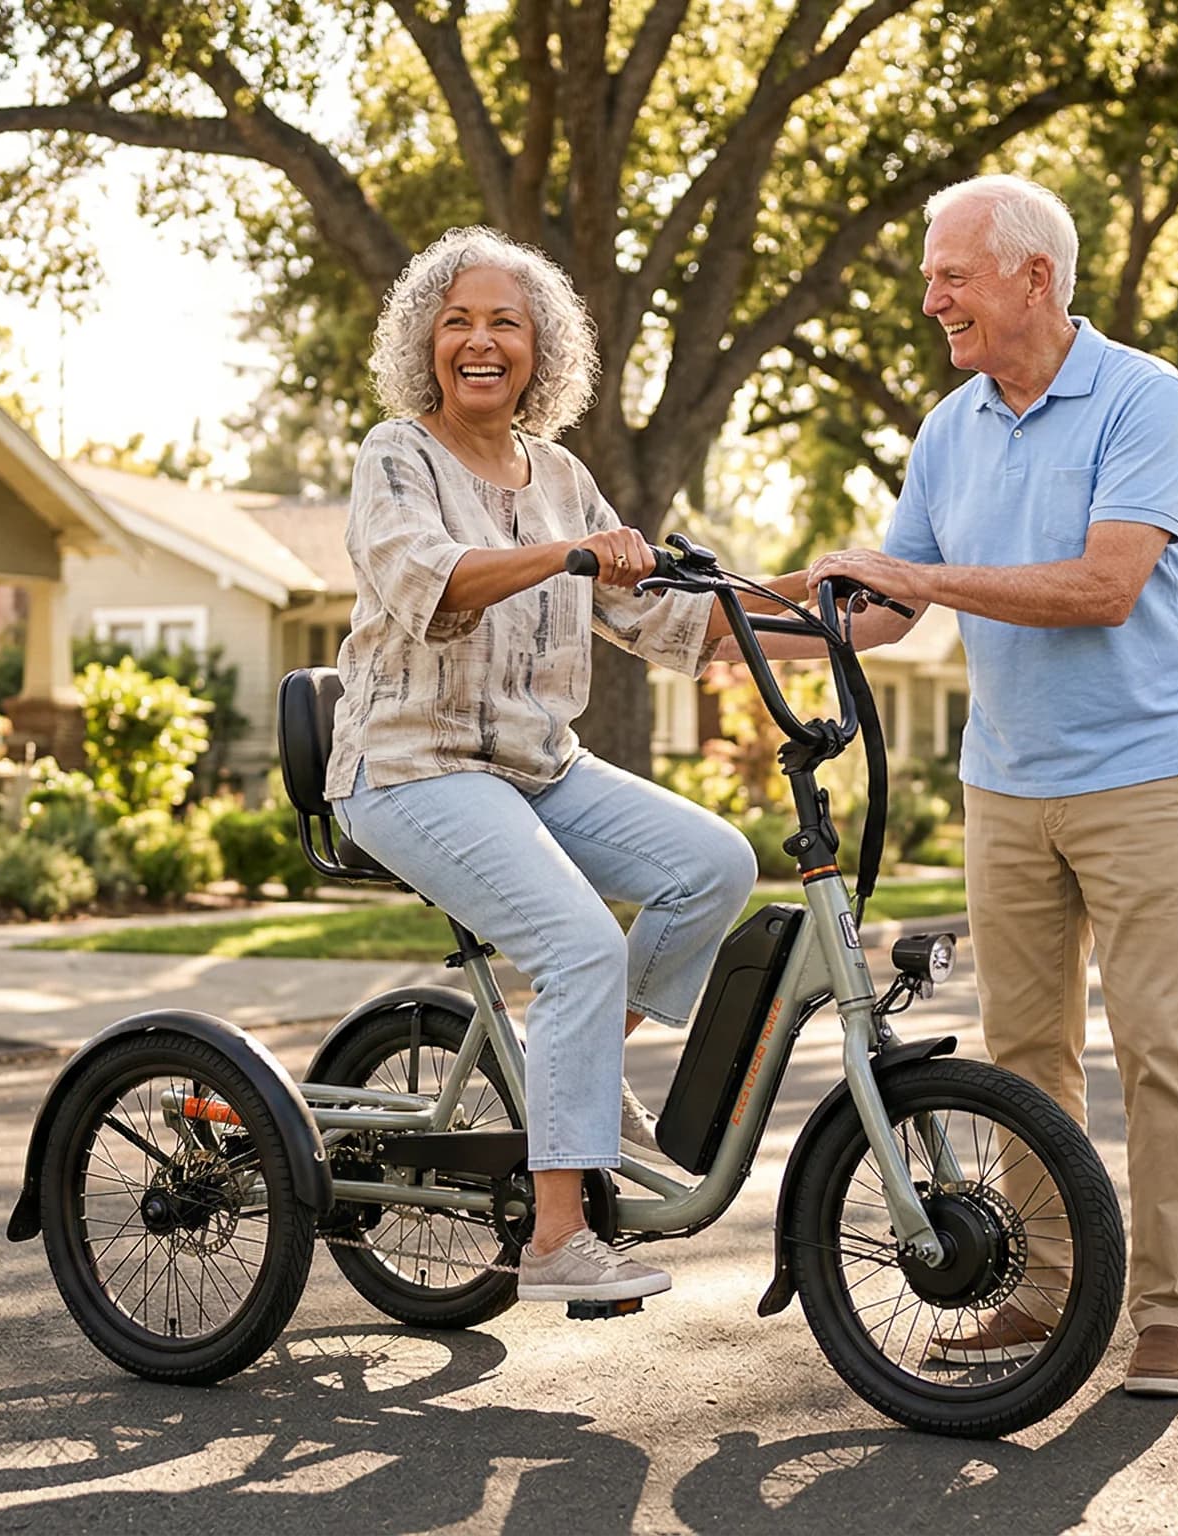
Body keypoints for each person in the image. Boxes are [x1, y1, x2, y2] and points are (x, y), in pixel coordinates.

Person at [809, 174, 1178, 1396]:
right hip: (1006, 784)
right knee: (1025, 1058)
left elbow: (1104, 586)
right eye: (932, 275)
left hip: (1146, 774)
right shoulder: (952, 426)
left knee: (1160, 1052)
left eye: (951, 274)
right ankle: (1046, 1293)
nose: (930, 296)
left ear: (1032, 278)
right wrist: (703, 618)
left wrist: (923, 583)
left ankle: (1169, 1314)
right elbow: (879, 604)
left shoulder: (1140, 397)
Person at [324, 226, 762, 1306]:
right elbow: (435, 580)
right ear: (425, 342)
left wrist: (827, 610)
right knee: (577, 946)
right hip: (409, 767)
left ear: (541, 349)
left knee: (713, 865)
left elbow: (663, 616)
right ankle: (557, 1237)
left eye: (505, 323)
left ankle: (588, 1066)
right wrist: (569, 556)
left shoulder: (562, 475)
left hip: (537, 765)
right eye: (458, 321)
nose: (481, 341)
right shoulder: (396, 456)